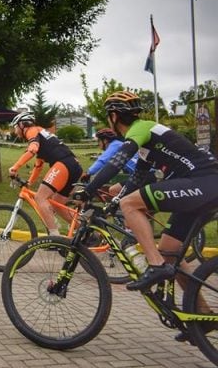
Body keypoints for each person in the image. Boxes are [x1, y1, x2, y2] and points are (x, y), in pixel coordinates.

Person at [79, 91, 218, 300]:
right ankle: (199, 318)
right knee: (169, 253)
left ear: (114, 116)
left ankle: (155, 265)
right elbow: (138, 176)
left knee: (131, 205)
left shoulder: (140, 129)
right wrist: (113, 202)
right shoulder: (148, 137)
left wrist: (89, 189)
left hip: (202, 182)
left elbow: (117, 162)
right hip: (201, 186)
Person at [8, 111, 83, 237]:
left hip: (63, 163)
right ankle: (87, 232)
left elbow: (32, 149)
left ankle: (54, 237)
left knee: (40, 197)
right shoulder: (42, 133)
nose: (15, 131)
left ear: (22, 125)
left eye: (15, 127)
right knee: (58, 205)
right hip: (75, 166)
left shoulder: (31, 130)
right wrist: (30, 182)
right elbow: (38, 165)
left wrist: (15, 167)